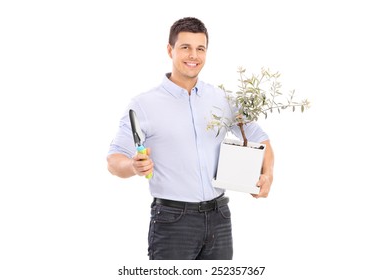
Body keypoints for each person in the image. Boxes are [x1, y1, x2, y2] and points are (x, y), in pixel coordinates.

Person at [107, 17, 274, 260]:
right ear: (170, 50)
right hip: (173, 222)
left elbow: (261, 138)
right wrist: (133, 166)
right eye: (185, 47)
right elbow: (114, 160)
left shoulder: (221, 99)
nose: (193, 55)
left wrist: (267, 174)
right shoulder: (144, 104)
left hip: (220, 217)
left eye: (200, 48)